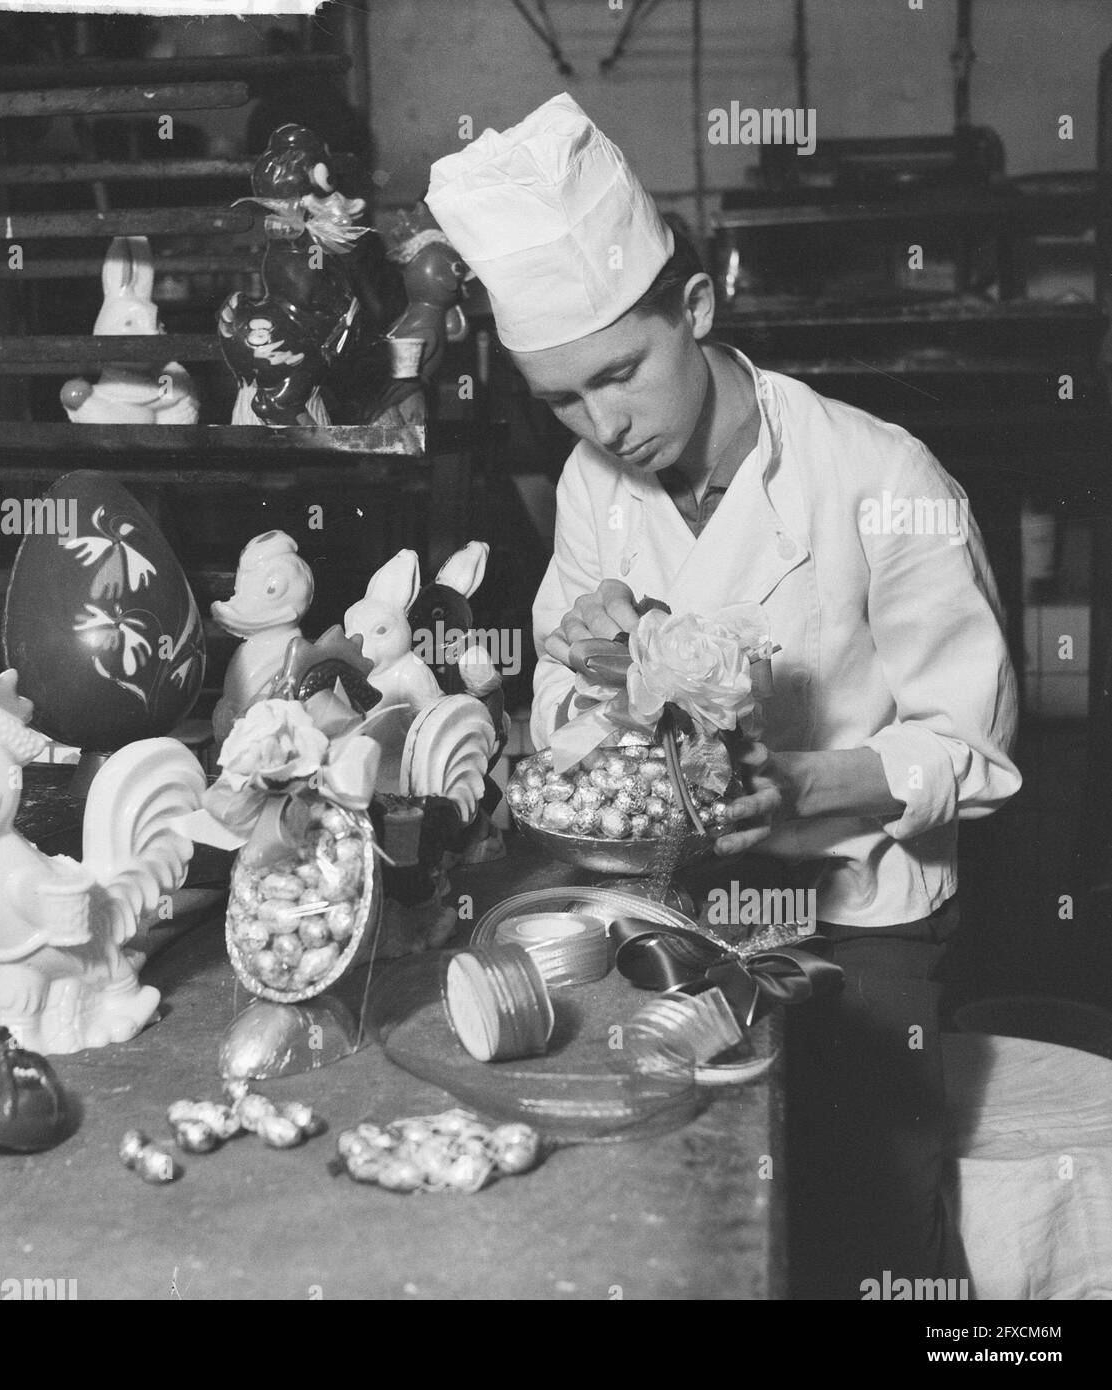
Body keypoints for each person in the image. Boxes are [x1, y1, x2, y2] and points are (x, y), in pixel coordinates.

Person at [427, 93, 1022, 1299]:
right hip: (675, 902)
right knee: (681, 1211)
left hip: (858, 917)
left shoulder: (882, 479)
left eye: (618, 376)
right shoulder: (599, 485)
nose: (605, 427)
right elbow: (563, 705)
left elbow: (975, 749)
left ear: (694, 309)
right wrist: (593, 681)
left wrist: (805, 781)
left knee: (864, 1229)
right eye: (560, 401)